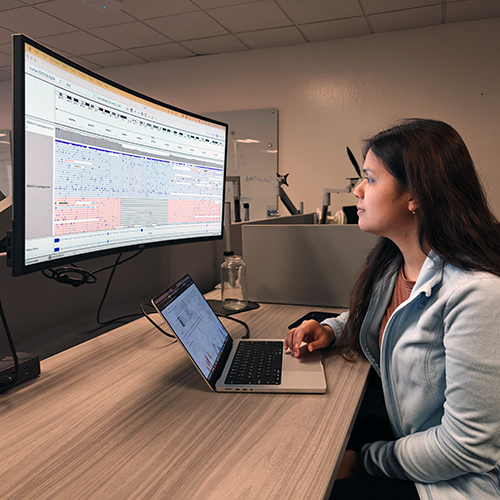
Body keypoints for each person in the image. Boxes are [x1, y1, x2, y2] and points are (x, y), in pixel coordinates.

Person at [285, 118, 500, 499]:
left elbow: (466, 446)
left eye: (369, 178)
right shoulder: (396, 262)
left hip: (449, 478)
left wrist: (363, 460)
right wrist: (333, 328)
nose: (357, 190)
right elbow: (390, 318)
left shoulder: (477, 294)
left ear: (414, 195)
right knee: (294, 449)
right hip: (406, 437)